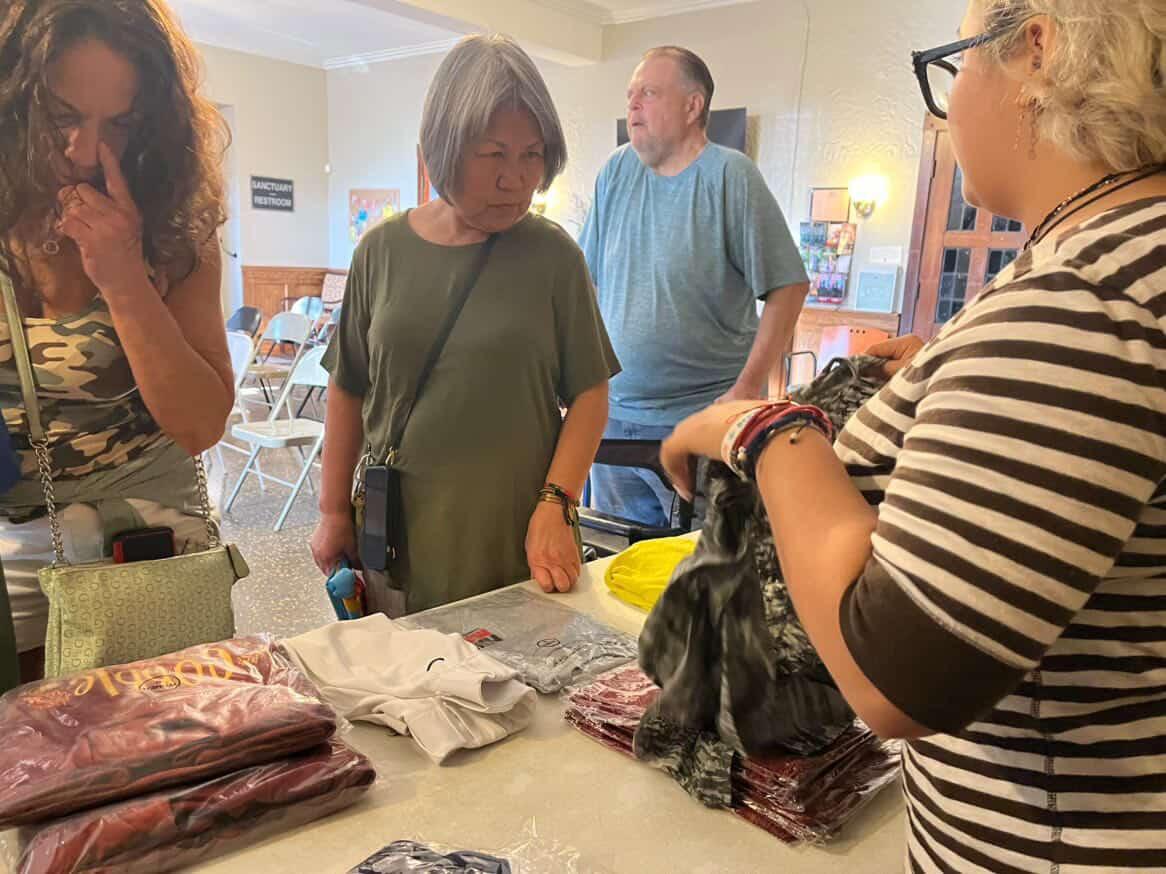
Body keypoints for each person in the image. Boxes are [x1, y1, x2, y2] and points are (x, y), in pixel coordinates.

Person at [661, 0, 1166, 869]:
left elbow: (899, 676)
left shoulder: (1081, 300)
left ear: (1035, 51)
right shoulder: (1124, 273)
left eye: (956, 62)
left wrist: (762, 427)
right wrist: (950, 376)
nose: (950, 100)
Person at [310, 35, 618, 616]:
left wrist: (558, 502)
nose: (515, 178)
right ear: (443, 147)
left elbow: (590, 393)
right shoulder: (381, 250)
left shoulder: (554, 256)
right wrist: (331, 511)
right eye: (493, 154)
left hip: (518, 539)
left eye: (532, 154)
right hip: (399, 537)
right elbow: (348, 386)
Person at [0, 0, 233, 683]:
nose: (83, 152)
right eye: (60, 118)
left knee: (167, 738)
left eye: (120, 125)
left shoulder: (176, 227)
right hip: (13, 545)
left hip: (146, 540)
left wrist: (124, 277)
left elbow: (201, 425)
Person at [579, 46, 809, 528]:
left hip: (700, 423)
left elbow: (788, 286)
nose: (633, 104)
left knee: (698, 563)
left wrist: (747, 388)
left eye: (649, 93)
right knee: (613, 559)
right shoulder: (614, 173)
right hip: (612, 420)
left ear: (692, 105)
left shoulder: (730, 176)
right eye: (630, 94)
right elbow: (588, 284)